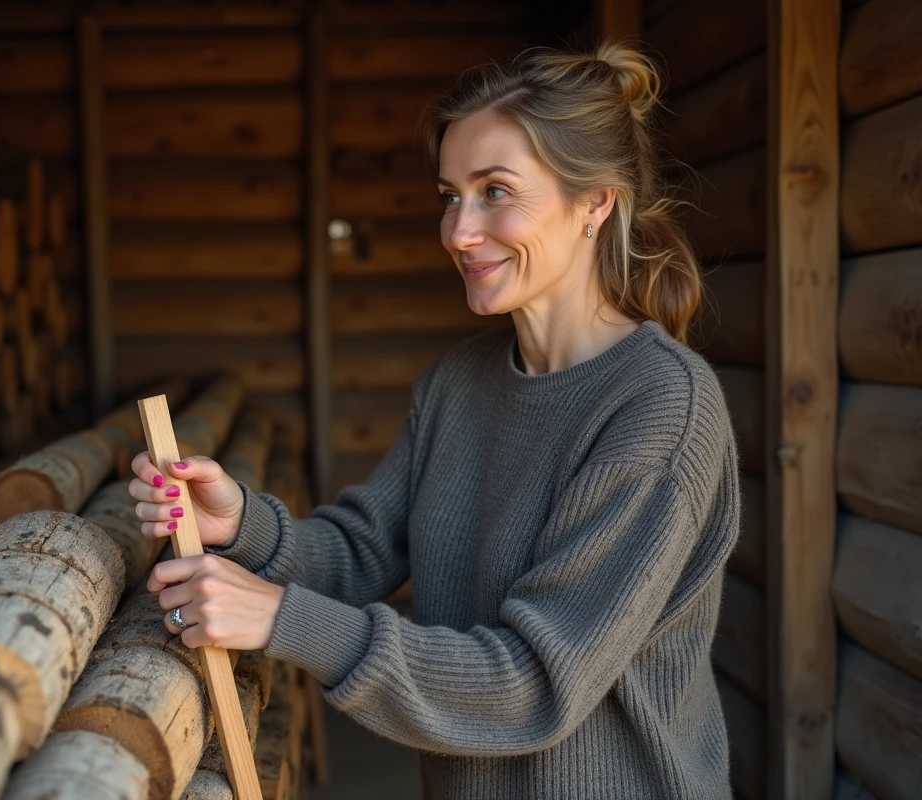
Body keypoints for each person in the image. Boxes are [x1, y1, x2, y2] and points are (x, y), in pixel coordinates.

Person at [129, 40, 739, 800]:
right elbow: (362, 552)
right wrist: (241, 524)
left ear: (596, 203)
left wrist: (284, 618)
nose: (459, 232)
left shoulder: (661, 406)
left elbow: (533, 681)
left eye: (495, 191)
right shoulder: (458, 384)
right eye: (451, 195)